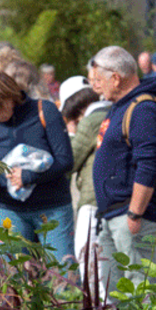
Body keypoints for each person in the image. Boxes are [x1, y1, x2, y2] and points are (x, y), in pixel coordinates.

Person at [88, 46, 156, 294]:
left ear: (116, 78)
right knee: (115, 289)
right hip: (114, 214)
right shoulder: (124, 106)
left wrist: (135, 213)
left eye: (99, 79)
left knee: (139, 288)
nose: (96, 86)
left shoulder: (143, 109)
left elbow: (148, 163)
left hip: (131, 216)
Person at [0, 72, 75, 264]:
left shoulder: (45, 111)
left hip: (52, 209)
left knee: (63, 274)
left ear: (10, 99)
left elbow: (66, 161)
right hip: (10, 210)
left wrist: (28, 176)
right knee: (11, 277)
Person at [60, 77, 111, 285]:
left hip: (93, 200)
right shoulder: (113, 111)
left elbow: (70, 161)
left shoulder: (91, 120)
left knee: (88, 261)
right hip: (114, 198)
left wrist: (71, 133)